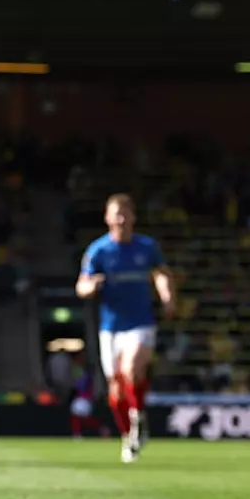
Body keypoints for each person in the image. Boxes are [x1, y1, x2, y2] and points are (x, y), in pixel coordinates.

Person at [76, 193, 174, 463]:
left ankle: (138, 415)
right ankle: (129, 435)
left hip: (140, 323)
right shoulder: (98, 250)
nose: (120, 218)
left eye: (125, 213)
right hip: (111, 327)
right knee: (116, 391)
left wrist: (167, 296)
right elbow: (81, 284)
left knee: (132, 368)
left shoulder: (146, 247)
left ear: (133, 217)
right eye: (115, 213)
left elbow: (162, 273)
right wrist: (90, 288)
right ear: (107, 218)